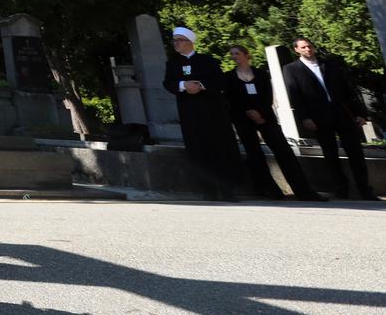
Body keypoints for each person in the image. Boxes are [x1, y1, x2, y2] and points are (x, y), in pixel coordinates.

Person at [281, 37, 379, 201]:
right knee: (330, 154)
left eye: (309, 46)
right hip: (318, 116)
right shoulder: (291, 69)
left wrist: (359, 113)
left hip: (341, 113)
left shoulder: (330, 65)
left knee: (355, 152)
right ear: (296, 50)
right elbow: (295, 95)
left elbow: (348, 90)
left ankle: (364, 189)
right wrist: (304, 117)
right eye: (303, 47)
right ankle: (341, 188)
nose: (308, 49)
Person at [222, 44, 324, 201]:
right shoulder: (229, 77)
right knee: (254, 153)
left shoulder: (260, 74)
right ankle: (270, 189)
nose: (234, 56)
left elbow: (267, 96)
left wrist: (260, 114)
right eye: (232, 54)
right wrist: (248, 111)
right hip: (243, 118)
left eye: (237, 53)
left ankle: (303, 190)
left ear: (246, 55)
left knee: (284, 151)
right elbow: (231, 99)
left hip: (265, 117)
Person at [161, 26, 241, 201]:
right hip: (190, 113)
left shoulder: (207, 61)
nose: (176, 44)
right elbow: (168, 83)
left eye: (180, 40)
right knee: (198, 151)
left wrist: (200, 85)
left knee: (220, 149)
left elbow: (220, 81)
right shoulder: (172, 63)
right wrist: (183, 86)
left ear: (190, 42)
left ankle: (228, 190)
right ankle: (209, 190)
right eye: (175, 41)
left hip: (213, 111)